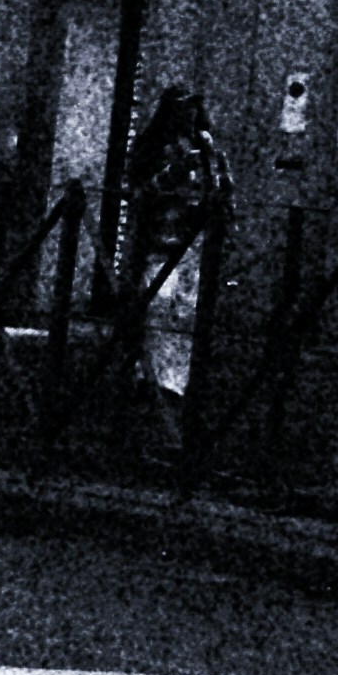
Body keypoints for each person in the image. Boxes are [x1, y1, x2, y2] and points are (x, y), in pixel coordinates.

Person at [126, 80, 224, 432]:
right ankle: (152, 382)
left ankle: (175, 386)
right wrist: (175, 173)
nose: (191, 115)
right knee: (159, 310)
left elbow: (222, 184)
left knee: (185, 315)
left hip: (194, 243)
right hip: (161, 243)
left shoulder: (205, 145)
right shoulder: (155, 146)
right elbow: (140, 190)